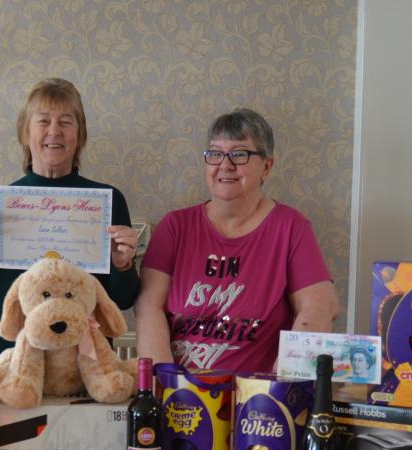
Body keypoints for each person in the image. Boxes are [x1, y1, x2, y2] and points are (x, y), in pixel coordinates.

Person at [0, 78, 140, 364]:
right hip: (5, 364)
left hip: (80, 367)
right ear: (25, 133)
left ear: (79, 135)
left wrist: (122, 265)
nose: (54, 131)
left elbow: (123, 301)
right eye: (43, 121)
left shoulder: (107, 202)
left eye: (66, 122)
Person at [136, 108, 339, 372]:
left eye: (239, 154)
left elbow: (321, 306)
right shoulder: (174, 226)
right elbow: (148, 306)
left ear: (266, 166)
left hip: (256, 402)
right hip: (182, 396)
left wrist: (279, 387)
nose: (225, 165)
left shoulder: (290, 227)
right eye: (215, 153)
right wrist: (167, 383)